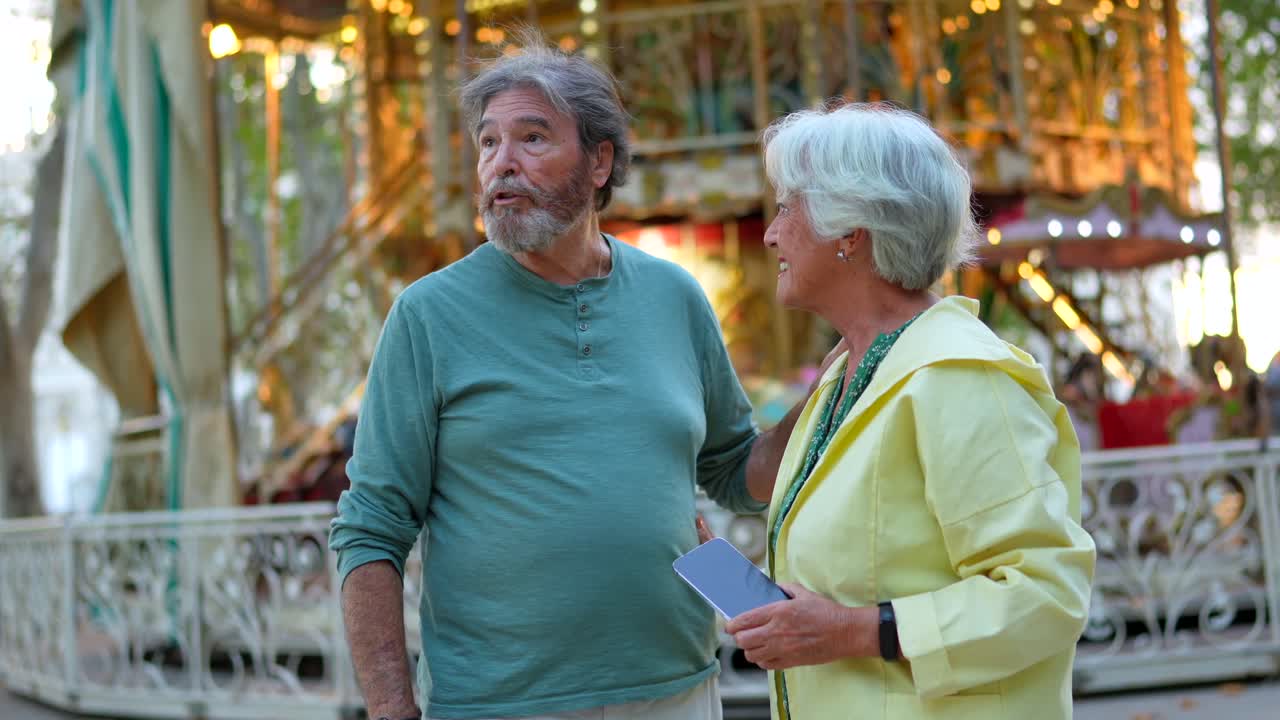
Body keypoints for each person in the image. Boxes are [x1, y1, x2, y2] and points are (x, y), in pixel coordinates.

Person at [328, 37, 822, 720]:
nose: (502, 163)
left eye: (532, 138)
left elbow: (736, 473)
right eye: (488, 142)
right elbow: (371, 528)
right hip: (499, 705)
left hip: (679, 691)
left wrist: (833, 385)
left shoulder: (674, 296)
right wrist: (391, 711)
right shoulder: (427, 316)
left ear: (600, 161)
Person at [724, 103, 1097, 720]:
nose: (770, 234)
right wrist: (752, 589)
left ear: (851, 230)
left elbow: (1046, 593)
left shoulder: (960, 377)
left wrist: (850, 631)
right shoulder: (849, 372)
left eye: (788, 207)